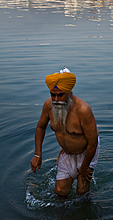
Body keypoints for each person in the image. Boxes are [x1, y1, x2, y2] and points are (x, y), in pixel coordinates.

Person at [30, 67, 99, 196]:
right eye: (52, 95)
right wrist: (37, 154)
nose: (56, 99)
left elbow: (93, 142)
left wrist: (84, 167)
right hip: (67, 152)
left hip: (86, 151)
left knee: (82, 191)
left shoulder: (83, 110)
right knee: (60, 192)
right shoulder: (49, 105)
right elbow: (40, 127)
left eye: (60, 95)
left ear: (69, 92)